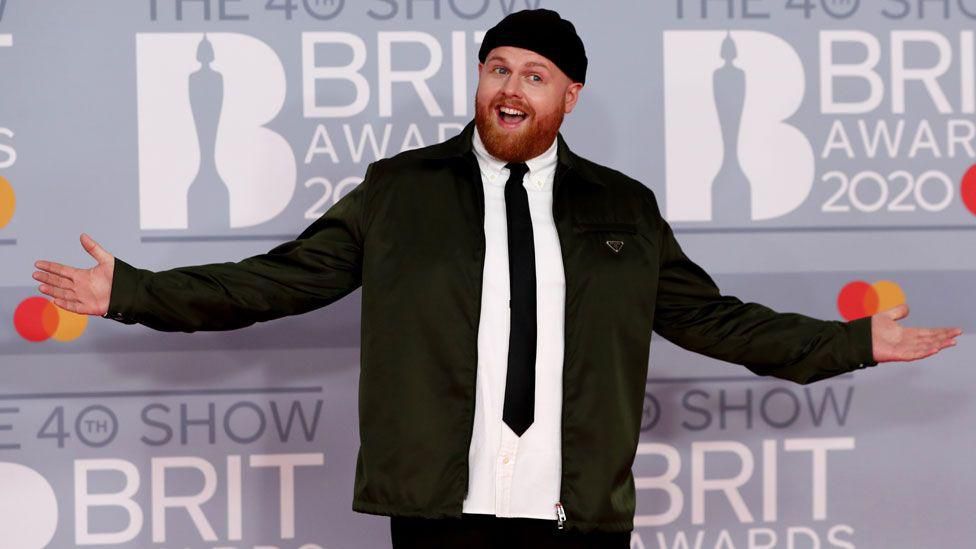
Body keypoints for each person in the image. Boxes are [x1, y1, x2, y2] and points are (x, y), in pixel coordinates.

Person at [32, 9, 960, 549]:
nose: (510, 88)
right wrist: (132, 291)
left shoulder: (622, 207)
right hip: (441, 508)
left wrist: (853, 342)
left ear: (570, 95)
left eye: (536, 74)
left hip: (576, 513)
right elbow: (276, 282)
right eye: (497, 68)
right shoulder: (401, 191)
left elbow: (715, 321)